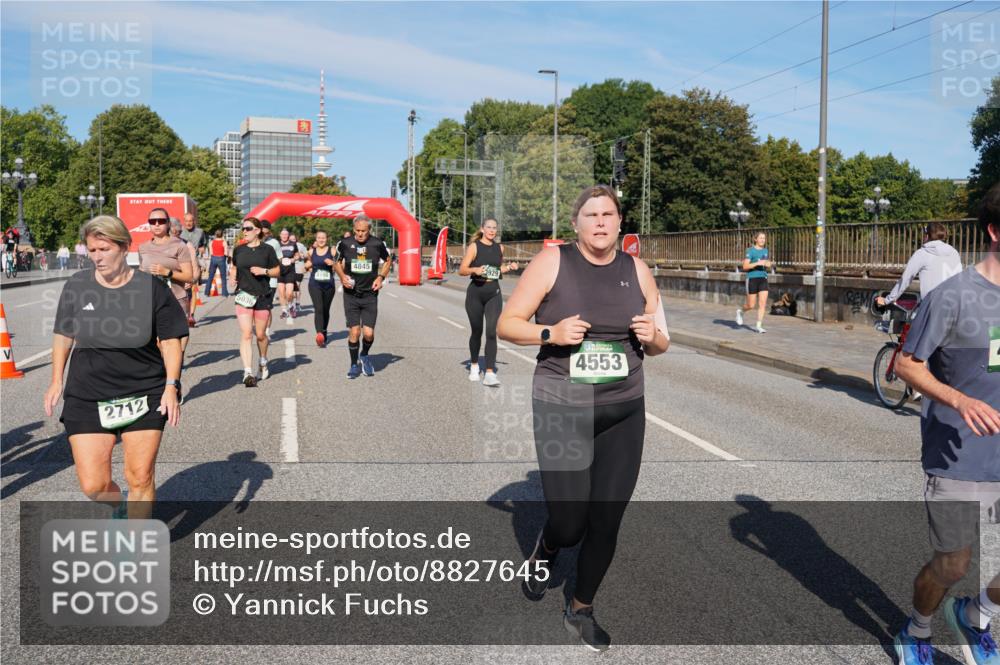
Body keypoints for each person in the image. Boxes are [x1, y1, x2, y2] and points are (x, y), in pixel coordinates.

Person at [497, 185, 669, 651]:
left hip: (624, 409)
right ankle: (549, 547)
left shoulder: (638, 270)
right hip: (561, 405)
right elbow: (507, 323)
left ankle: (582, 607)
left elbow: (662, 342)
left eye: (608, 214)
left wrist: (652, 335)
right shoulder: (553, 262)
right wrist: (550, 331)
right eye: (590, 214)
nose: (599, 222)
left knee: (607, 521)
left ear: (619, 222)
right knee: (570, 522)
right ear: (576, 224)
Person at [891, 182, 1000, 665]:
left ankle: (976, 616)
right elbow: (906, 365)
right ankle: (916, 629)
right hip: (959, 453)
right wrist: (960, 399)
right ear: (995, 230)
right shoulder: (953, 297)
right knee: (954, 563)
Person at [43, 215, 187, 520]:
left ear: (124, 248)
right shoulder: (77, 286)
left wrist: (171, 385)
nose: (97, 257)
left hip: (144, 391)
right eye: (92, 250)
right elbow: (64, 333)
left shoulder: (151, 288)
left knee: (140, 477)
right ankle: (119, 506)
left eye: (104, 249)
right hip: (88, 394)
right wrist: (56, 380)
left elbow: (171, 340)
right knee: (93, 485)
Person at [458, 218, 518, 386]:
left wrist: (509, 267)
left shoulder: (500, 247)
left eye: (494, 228)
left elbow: (497, 270)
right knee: (477, 332)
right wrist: (475, 269)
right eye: (489, 227)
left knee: (491, 332)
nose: (492, 230)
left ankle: (490, 372)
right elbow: (462, 270)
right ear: (482, 229)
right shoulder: (474, 247)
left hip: (493, 293)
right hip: (475, 293)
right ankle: (475, 366)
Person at [334, 215, 392, 378]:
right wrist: (342, 277)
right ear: (354, 230)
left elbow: (388, 260)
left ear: (369, 230)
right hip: (351, 294)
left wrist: (381, 277)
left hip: (370, 295)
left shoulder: (377, 244)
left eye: (364, 231)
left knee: (368, 334)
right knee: (354, 332)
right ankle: (353, 365)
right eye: (357, 231)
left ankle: (364, 354)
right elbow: (336, 262)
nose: (360, 234)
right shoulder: (344, 244)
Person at [229, 217, 280, 387]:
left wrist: (263, 271)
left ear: (257, 231)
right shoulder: (239, 250)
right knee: (246, 334)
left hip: (262, 296)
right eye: (243, 228)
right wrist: (232, 277)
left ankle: (263, 360)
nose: (244, 231)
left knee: (260, 335)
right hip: (243, 296)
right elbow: (235, 266)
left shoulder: (268, 250)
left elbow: (277, 271)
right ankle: (248, 372)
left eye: (248, 228)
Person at [137, 209, 194, 358]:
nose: (156, 224)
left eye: (161, 221)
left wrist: (167, 272)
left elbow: (189, 276)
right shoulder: (143, 248)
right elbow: (142, 273)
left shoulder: (179, 246)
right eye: (152, 221)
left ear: (168, 224)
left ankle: (173, 375)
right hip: (152, 300)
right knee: (157, 342)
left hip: (175, 298)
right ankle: (166, 372)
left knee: (172, 342)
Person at [876, 222, 963, 308]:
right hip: (955, 304)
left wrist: (888, 299)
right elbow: (960, 278)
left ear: (927, 236)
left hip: (932, 306)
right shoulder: (954, 253)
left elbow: (906, 279)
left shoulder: (922, 253)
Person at [306, 230, 337, 348]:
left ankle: (324, 331)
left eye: (323, 238)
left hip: (329, 285)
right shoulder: (311, 251)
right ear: (316, 239)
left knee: (325, 310)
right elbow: (306, 264)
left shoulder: (332, 251)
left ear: (327, 239)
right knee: (318, 308)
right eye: (319, 238)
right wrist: (307, 266)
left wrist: (333, 263)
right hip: (315, 284)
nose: (321, 240)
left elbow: (341, 265)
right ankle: (319, 334)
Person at [736, 231, 771, 333]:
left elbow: (766, 262)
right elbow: (745, 266)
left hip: (763, 278)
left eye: (764, 238)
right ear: (755, 239)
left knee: (762, 304)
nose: (762, 240)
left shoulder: (765, 250)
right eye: (760, 238)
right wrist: (757, 263)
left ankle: (758, 326)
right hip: (752, 278)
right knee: (751, 305)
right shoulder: (750, 251)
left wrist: (768, 263)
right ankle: (741, 312)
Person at [171, 218, 201, 328]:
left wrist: (192, 279)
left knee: (191, 291)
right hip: (168, 281)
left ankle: (190, 315)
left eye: (178, 232)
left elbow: (195, 265)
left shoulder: (187, 245)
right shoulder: (161, 245)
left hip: (184, 278)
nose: (175, 235)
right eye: (173, 232)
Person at [180, 212, 207, 323]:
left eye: (190, 221)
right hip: (181, 263)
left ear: (194, 221)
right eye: (186, 221)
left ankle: (191, 315)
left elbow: (203, 243)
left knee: (193, 289)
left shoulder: (200, 232)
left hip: (194, 263)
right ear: (184, 221)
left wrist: (202, 248)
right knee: (182, 290)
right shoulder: (179, 232)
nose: (188, 223)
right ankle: (183, 313)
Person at [260, 220, 282, 339]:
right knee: (256, 308)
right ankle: (259, 328)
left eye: (267, 233)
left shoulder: (274, 243)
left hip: (270, 280)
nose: (265, 236)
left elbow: (279, 260)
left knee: (267, 307)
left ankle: (267, 332)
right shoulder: (253, 242)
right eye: (263, 233)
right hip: (254, 281)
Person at [204, 228, 230, 297]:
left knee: (210, 276)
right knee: (223, 277)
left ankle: (207, 292)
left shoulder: (211, 242)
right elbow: (226, 253)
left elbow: (211, 252)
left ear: (215, 235)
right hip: (221, 258)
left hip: (213, 258)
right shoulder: (224, 242)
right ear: (222, 235)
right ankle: (224, 293)